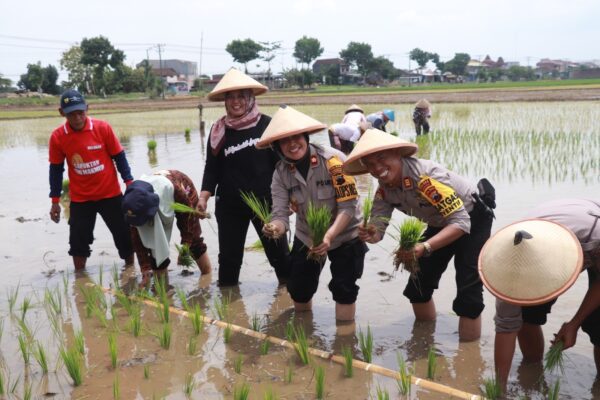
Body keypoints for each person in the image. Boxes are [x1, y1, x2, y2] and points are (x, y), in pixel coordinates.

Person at [343, 129, 494, 340]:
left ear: (397, 153)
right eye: (370, 164)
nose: (377, 168)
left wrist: (425, 247)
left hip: (472, 218)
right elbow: (378, 230)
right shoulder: (384, 190)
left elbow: (460, 222)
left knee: (469, 293)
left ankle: (467, 358)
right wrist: (370, 233)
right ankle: (422, 341)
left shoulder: (426, 177)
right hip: (439, 222)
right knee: (418, 288)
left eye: (381, 158)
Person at [258, 105, 367, 321]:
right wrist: (274, 228)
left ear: (305, 136)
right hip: (307, 234)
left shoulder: (333, 160)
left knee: (344, 289)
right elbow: (280, 213)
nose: (292, 144)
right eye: (284, 140)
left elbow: (348, 206)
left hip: (346, 233)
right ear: (277, 146)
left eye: (296, 136)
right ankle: (303, 328)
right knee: (298, 287)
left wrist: (329, 236)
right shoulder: (280, 174)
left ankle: (344, 342)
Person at [478, 198, 600, 391]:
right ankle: (533, 367)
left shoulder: (594, 235)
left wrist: (574, 323)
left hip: (588, 235)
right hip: (561, 229)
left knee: (598, 325)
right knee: (527, 316)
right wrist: (499, 389)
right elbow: (506, 327)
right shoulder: (507, 268)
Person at [198, 68, 290, 286]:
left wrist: (291, 198)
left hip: (266, 203)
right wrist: (203, 197)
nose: (235, 102)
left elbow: (283, 165)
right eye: (230, 97)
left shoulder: (267, 125)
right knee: (229, 260)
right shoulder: (219, 130)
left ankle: (291, 300)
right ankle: (229, 306)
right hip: (229, 205)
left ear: (250, 98)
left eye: (241, 96)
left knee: (280, 256)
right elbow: (212, 168)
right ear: (224, 101)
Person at [48, 89, 134, 271]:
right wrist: (55, 201)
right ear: (62, 113)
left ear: (87, 108)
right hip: (81, 199)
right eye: (72, 114)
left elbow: (119, 157)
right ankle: (81, 279)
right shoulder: (58, 137)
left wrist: (129, 184)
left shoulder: (102, 128)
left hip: (110, 194)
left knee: (125, 236)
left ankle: (130, 271)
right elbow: (56, 170)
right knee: (78, 244)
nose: (78, 118)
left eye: (81, 112)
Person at [121, 170, 212, 283]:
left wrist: (185, 246)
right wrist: (145, 268)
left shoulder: (176, 190)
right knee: (156, 254)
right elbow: (137, 238)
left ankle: (206, 279)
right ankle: (163, 289)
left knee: (194, 241)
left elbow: (187, 220)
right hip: (150, 202)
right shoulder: (133, 206)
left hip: (184, 190)